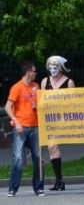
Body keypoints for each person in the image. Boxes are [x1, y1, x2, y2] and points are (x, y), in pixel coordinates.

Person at [5, 61, 43, 197]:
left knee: (38, 158)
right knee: (18, 159)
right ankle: (12, 189)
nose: (36, 73)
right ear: (28, 72)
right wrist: (16, 122)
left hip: (35, 127)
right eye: (34, 71)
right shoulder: (17, 87)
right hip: (21, 128)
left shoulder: (36, 86)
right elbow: (8, 106)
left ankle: (38, 188)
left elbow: (40, 104)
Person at [40, 55, 74, 191]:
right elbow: (42, 99)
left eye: (55, 66)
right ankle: (59, 180)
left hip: (62, 120)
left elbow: (73, 102)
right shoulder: (45, 81)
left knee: (53, 146)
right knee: (51, 148)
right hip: (49, 119)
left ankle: (59, 180)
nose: (52, 69)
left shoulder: (69, 82)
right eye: (50, 66)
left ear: (61, 67)